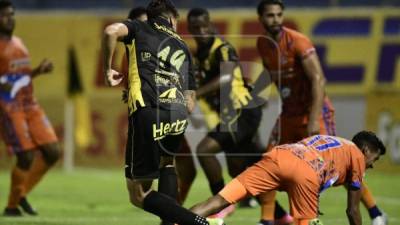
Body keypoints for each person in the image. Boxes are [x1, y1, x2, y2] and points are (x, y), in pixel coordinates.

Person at [255, 0, 387, 224]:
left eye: (279, 15)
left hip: (314, 112)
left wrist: (314, 118)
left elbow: (318, 78)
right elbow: (269, 73)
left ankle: (376, 213)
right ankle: (267, 220)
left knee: (344, 164)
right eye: (270, 15)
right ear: (261, 19)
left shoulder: (298, 41)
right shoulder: (263, 43)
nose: (275, 20)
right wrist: (254, 92)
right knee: (268, 161)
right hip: (289, 113)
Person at [102, 1, 224, 225]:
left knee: (139, 194)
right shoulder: (183, 45)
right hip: (178, 113)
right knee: (168, 163)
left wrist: (107, 70)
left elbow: (110, 31)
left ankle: (197, 222)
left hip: (148, 110)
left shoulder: (140, 28)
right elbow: (190, 102)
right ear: (172, 19)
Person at [186, 8, 293, 222]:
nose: (202, 30)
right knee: (242, 172)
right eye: (196, 28)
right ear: (190, 29)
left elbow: (227, 78)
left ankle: (222, 204)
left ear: (211, 24)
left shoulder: (223, 48)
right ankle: (281, 217)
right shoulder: (198, 56)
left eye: (204, 25)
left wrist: (195, 94)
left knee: (204, 150)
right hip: (232, 115)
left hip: (241, 111)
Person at [190, 131, 386, 225]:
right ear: (366, 150)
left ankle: (175, 221)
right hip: (306, 169)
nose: (372, 164)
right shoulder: (358, 157)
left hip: (279, 156)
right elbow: (352, 211)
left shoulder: (333, 141)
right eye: (374, 158)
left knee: (218, 200)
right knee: (306, 223)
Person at [0, 0, 60, 216]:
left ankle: (21, 193)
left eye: (12, 14)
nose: (10, 18)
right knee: (25, 156)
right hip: (10, 107)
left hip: (30, 104)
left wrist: (38, 71)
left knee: (52, 152)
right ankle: (11, 207)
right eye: (5, 15)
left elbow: (19, 78)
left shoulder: (18, 43)